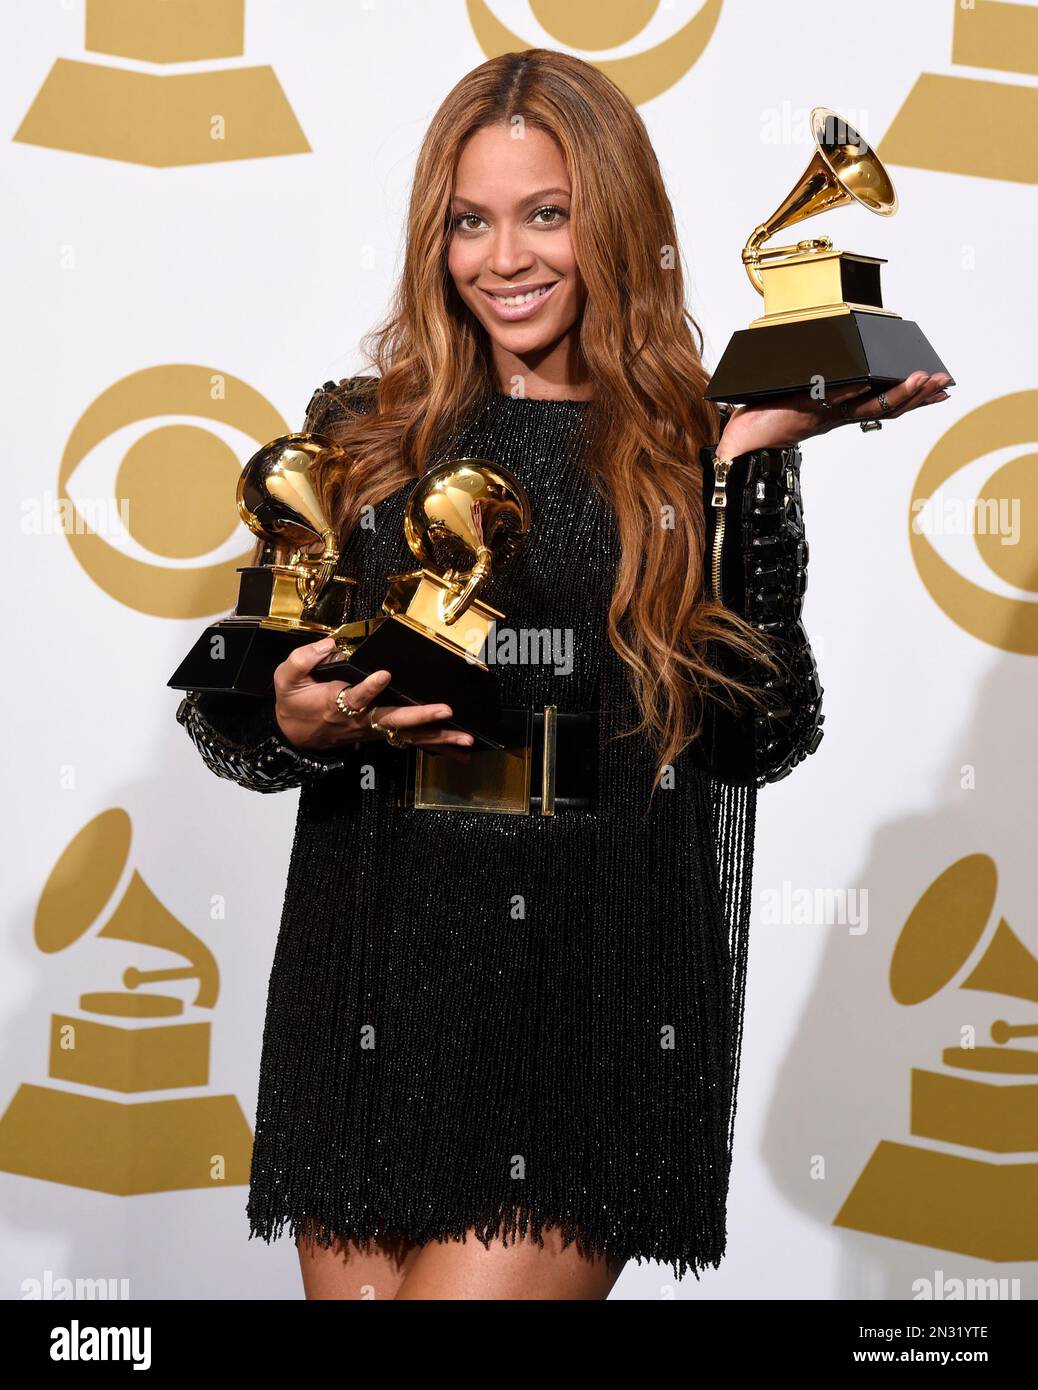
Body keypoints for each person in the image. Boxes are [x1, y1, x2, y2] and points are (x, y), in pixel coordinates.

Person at [174, 49, 951, 1300]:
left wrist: (745, 466)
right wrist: (293, 719)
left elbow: (759, 734)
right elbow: (241, 717)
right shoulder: (363, 430)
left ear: (615, 221)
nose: (507, 258)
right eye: (471, 221)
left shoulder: (693, 442)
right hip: (369, 978)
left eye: (549, 214)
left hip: (585, 998)